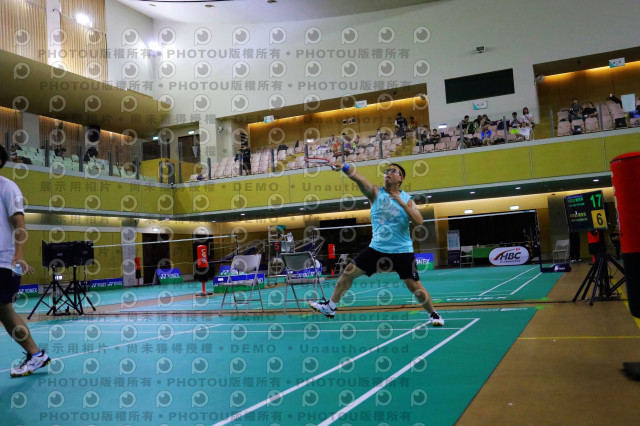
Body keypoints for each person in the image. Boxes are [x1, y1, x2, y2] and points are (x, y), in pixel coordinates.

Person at [308, 161, 444, 326]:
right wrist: (344, 167)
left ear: (401, 178)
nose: (388, 173)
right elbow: (358, 178)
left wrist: (401, 203)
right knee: (348, 272)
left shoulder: (407, 200)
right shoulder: (375, 193)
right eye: (386, 171)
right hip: (377, 248)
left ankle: (433, 314)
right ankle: (330, 307)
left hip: (402, 250)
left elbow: (419, 221)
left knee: (414, 285)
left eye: (393, 171)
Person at [0, 146, 51, 377]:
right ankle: (36, 355)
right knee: (5, 313)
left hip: (4, 261)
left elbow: (19, 224)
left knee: (5, 310)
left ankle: (36, 355)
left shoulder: (7, 187)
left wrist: (19, 254)